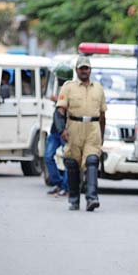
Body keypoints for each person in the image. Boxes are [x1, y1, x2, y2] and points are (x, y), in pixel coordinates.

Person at [55, 56, 107, 211]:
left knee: (92, 161)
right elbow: (60, 111)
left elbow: (103, 115)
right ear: (76, 70)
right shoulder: (68, 87)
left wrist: (102, 134)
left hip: (93, 129)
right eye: (81, 68)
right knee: (72, 164)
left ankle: (92, 198)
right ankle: (74, 198)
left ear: (90, 70)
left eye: (86, 68)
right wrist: (61, 130)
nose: (84, 71)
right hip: (74, 128)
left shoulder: (98, 88)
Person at [45, 65, 73, 197]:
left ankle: (66, 187)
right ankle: (58, 183)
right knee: (48, 156)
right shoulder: (60, 89)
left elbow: (66, 107)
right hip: (55, 129)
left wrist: (57, 100)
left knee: (67, 158)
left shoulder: (70, 90)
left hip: (65, 130)